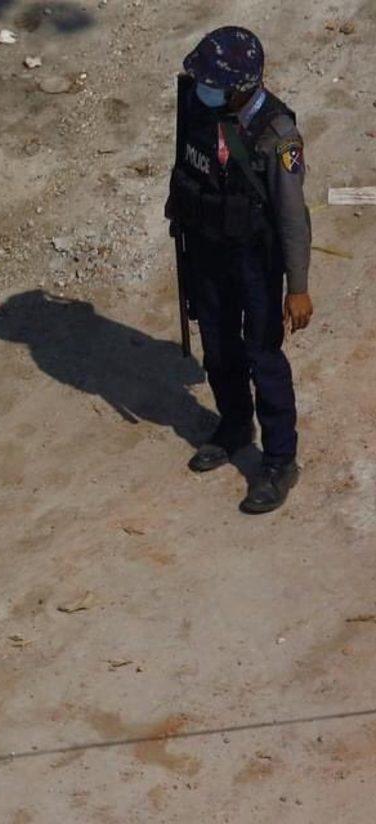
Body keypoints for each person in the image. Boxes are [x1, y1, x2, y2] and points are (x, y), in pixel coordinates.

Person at [166, 26, 312, 513]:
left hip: (255, 259)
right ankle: (233, 425)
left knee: (263, 356)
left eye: (215, 83)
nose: (204, 89)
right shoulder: (198, 105)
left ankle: (279, 460)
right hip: (206, 250)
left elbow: (292, 218)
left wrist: (298, 287)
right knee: (218, 344)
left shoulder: (277, 135)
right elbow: (188, 166)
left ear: (242, 86)